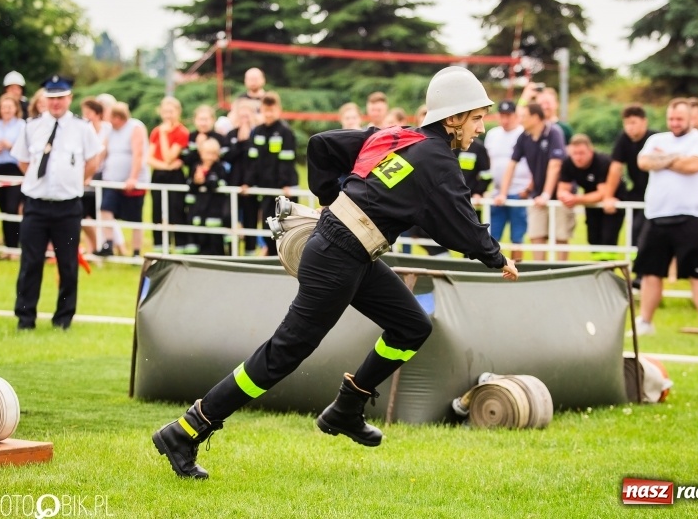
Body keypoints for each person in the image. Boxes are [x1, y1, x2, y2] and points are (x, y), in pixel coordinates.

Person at [152, 66, 519, 479]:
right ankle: (186, 430)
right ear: (452, 119)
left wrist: (333, 199)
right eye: (477, 117)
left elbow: (322, 145)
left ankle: (347, 407)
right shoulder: (438, 160)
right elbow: (460, 221)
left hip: (348, 250)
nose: (482, 127)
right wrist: (495, 256)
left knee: (412, 326)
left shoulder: (397, 136)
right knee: (284, 353)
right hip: (338, 255)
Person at [10, 75, 101, 330]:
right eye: (51, 98)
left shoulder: (82, 128)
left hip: (68, 207)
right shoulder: (31, 126)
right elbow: (23, 161)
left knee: (68, 264)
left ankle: (63, 319)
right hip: (36, 205)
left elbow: (93, 160)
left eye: (61, 98)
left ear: (69, 98)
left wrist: (73, 182)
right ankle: (25, 319)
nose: (56, 103)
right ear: (45, 99)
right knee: (31, 262)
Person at [632, 98, 698, 341]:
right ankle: (645, 321)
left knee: (697, 272)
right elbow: (643, 162)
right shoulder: (656, 139)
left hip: (691, 215)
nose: (675, 123)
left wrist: (663, 160)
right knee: (650, 272)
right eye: (671, 118)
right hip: (657, 215)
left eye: (679, 119)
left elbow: (694, 165)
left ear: (691, 118)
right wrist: (675, 158)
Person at [495, 102, 572, 261]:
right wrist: (503, 193)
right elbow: (512, 164)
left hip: (560, 195)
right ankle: (540, 273)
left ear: (536, 117)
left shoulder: (554, 132)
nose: (521, 119)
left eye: (524, 116)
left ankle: (562, 273)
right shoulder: (524, 136)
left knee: (560, 235)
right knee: (537, 235)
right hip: (537, 194)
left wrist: (546, 194)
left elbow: (555, 165)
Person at [558, 134, 626, 259]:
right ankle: (597, 270)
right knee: (593, 238)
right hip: (590, 201)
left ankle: (608, 270)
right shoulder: (567, 163)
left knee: (608, 239)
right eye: (575, 153)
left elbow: (603, 193)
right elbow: (562, 189)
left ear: (591, 150)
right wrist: (565, 196)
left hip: (613, 200)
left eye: (582, 153)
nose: (578, 157)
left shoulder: (602, 162)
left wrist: (575, 199)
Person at [245, 91, 297, 256]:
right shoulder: (257, 131)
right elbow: (252, 160)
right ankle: (271, 255)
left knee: (285, 225)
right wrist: (248, 182)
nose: (268, 114)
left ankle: (285, 257)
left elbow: (287, 161)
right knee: (268, 224)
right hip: (264, 187)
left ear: (278, 110)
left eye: (271, 110)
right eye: (265, 110)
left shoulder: (285, 132)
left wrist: (285, 184)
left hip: (282, 189)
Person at [97, 102, 149, 257]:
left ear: (118, 117)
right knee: (105, 209)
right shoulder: (110, 131)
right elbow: (102, 152)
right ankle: (108, 243)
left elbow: (138, 154)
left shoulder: (135, 128)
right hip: (111, 181)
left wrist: (133, 177)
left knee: (135, 218)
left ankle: (136, 251)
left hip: (132, 183)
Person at [604, 104, 657, 251]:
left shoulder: (655, 138)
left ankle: (639, 269)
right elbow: (616, 168)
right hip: (637, 191)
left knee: (640, 231)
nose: (629, 127)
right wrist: (608, 196)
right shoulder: (624, 139)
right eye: (626, 123)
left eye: (633, 123)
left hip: (654, 193)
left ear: (644, 122)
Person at [484, 99, 529, 261]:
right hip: (497, 193)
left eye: (508, 115)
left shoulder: (524, 134)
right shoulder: (492, 134)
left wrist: (528, 189)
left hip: (519, 191)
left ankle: (517, 267)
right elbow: (488, 163)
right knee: (493, 235)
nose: (505, 119)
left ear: (516, 115)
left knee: (517, 237)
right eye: (502, 115)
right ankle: (495, 267)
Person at [148, 97, 190, 253]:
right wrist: (165, 166)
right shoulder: (156, 131)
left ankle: (179, 245)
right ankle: (159, 246)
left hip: (175, 176)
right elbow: (149, 157)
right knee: (157, 210)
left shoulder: (181, 132)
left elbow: (169, 155)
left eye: (171, 112)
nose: (168, 115)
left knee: (176, 210)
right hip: (159, 174)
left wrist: (164, 135)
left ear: (178, 112)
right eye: (165, 112)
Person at [0, 94, 24, 259]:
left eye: (10, 107)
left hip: (14, 169)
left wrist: (11, 147)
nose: (7, 110)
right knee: (3, 209)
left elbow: (24, 150)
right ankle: (7, 247)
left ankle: (14, 247)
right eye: (4, 107)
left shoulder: (22, 125)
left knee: (12, 208)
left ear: (16, 108)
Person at [224, 99, 259, 255]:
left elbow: (256, 161)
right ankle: (231, 252)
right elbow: (228, 156)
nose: (244, 119)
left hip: (251, 186)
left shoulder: (258, 135)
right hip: (232, 184)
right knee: (228, 216)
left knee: (250, 219)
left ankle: (250, 253)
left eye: (247, 115)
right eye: (241, 115)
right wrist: (241, 142)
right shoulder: (231, 134)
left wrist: (249, 183)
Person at [186, 138, 230, 255]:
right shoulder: (196, 167)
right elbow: (190, 186)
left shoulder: (220, 167)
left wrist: (204, 180)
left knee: (215, 242)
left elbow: (217, 184)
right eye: (207, 153)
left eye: (213, 154)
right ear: (200, 153)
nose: (210, 156)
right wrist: (195, 181)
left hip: (214, 211)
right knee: (199, 240)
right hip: (198, 211)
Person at [79, 97, 111, 256]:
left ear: (98, 114)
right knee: (84, 215)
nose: (85, 116)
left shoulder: (107, 129)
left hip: (102, 176)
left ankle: (110, 247)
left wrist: (90, 172)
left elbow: (101, 153)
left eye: (88, 113)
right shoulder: (83, 130)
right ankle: (93, 247)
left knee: (100, 213)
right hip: (86, 175)